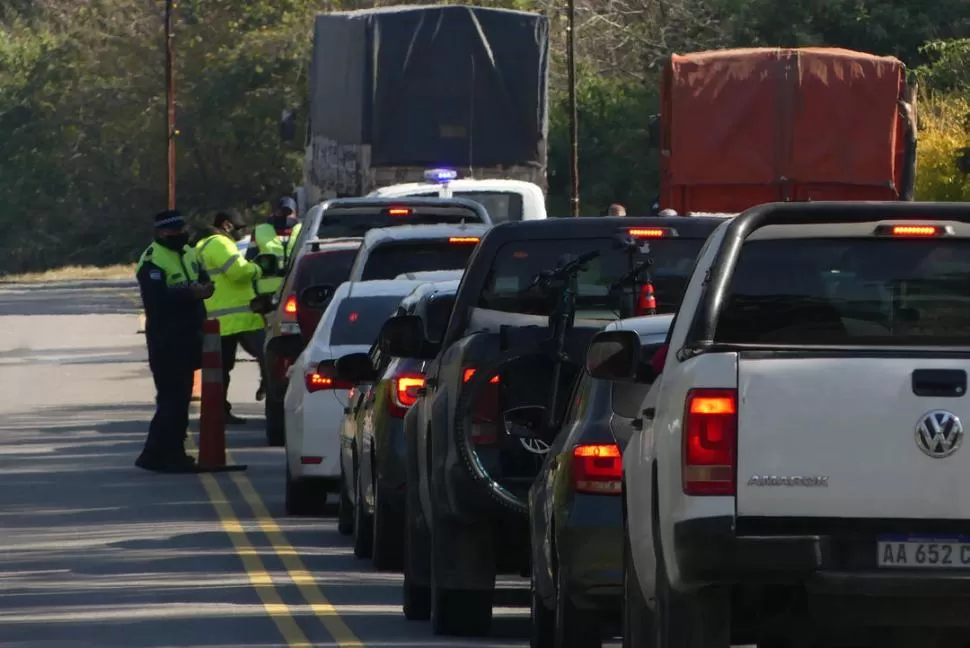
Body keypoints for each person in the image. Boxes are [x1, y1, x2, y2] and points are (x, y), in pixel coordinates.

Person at [135, 210, 214, 473]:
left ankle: (160, 454)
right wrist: (188, 293)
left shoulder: (190, 252)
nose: (180, 235)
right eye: (173, 232)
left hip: (190, 335)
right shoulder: (152, 260)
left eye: (182, 230)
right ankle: (164, 454)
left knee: (179, 400)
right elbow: (156, 301)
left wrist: (204, 288)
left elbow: (204, 279)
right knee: (172, 399)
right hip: (166, 339)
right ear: (159, 234)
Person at [196, 212, 267, 424]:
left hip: (218, 319)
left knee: (221, 370)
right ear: (227, 225)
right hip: (239, 317)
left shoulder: (201, 245)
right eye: (240, 227)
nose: (242, 233)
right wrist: (258, 268)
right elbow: (239, 272)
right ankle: (269, 388)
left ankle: (219, 411)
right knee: (267, 355)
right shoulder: (220, 243)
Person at [252, 196, 302, 298]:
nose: (285, 216)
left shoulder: (304, 230)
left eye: (288, 212)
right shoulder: (259, 231)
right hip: (267, 294)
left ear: (296, 214)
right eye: (282, 212)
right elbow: (249, 262)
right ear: (275, 212)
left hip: (296, 291)